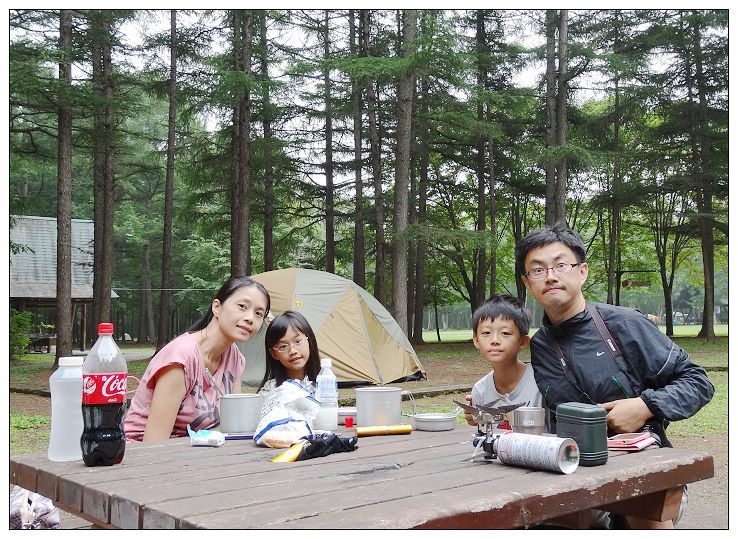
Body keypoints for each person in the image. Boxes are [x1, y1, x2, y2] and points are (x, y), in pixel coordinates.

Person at [515, 224, 714, 529]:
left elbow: (697, 381)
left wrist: (646, 406)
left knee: (643, 504)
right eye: (538, 270)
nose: (551, 276)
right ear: (528, 283)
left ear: (582, 272)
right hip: (572, 468)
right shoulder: (541, 344)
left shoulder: (624, 324)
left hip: (641, 466)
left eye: (561, 265)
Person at [124, 276, 270, 442]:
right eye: (242, 306)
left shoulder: (234, 357)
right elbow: (154, 443)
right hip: (142, 452)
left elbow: (236, 426)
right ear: (217, 307)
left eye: (258, 314)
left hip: (195, 449)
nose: (250, 318)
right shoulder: (181, 359)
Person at [463, 294, 546, 430]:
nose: (495, 340)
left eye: (505, 333)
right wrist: (476, 419)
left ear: (523, 342)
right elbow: (485, 435)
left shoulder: (541, 383)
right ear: (476, 340)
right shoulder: (480, 391)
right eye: (486, 333)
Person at [257, 310, 321, 395]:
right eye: (283, 346)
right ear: (274, 354)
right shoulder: (270, 391)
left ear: (309, 340)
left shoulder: (326, 385)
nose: (292, 351)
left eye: (298, 341)